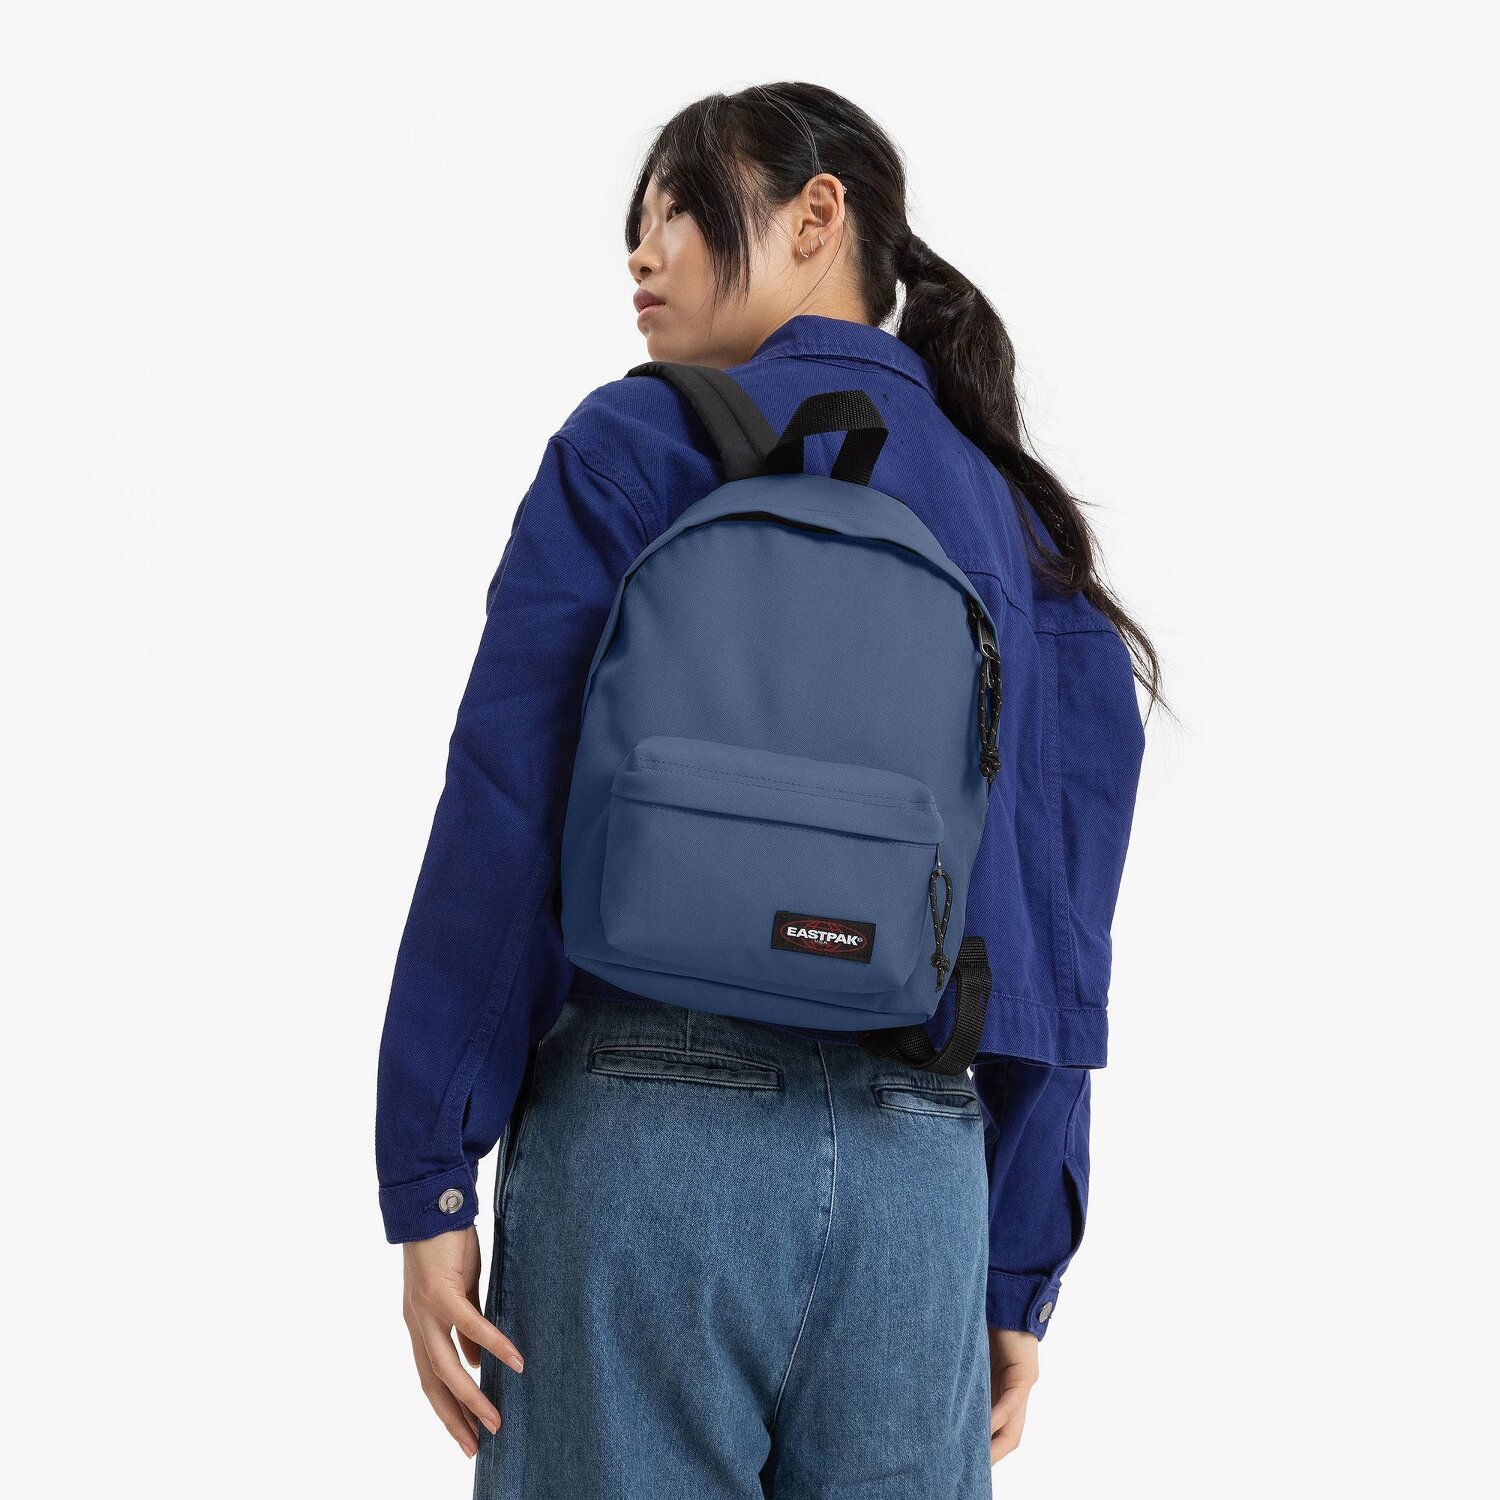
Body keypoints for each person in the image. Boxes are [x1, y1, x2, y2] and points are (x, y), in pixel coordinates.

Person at [376, 82, 1158, 1498]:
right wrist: (1017, 1267)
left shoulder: (631, 446)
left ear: (817, 217)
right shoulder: (1012, 519)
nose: (643, 251)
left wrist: (432, 1166)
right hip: (917, 1176)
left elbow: (502, 807)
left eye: (681, 209)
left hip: (643, 1148)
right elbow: (1051, 932)